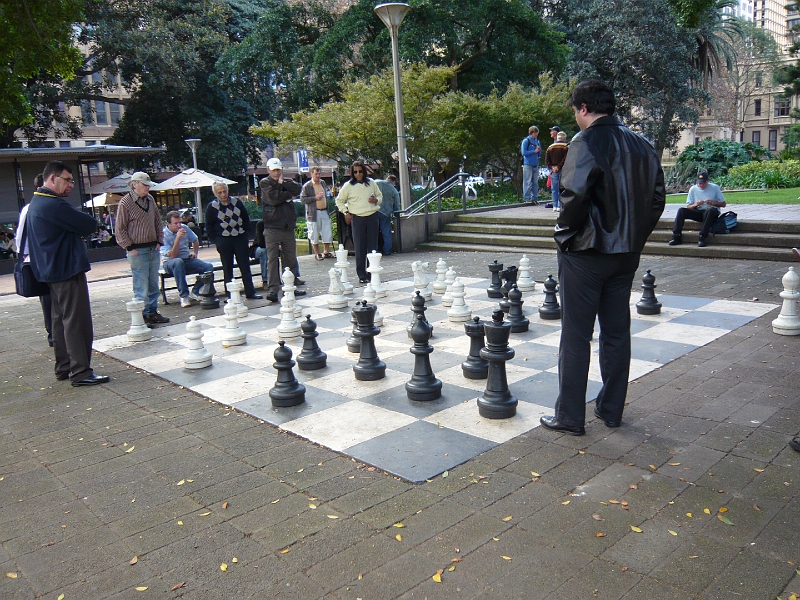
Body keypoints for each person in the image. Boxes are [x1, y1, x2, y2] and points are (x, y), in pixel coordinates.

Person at [540, 79, 665, 436]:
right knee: (616, 332)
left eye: (574, 112)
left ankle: (569, 416)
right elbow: (657, 199)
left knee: (576, 335)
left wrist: (563, 236)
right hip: (625, 254)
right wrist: (634, 236)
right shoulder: (642, 144)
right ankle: (611, 410)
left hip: (587, 253)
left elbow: (573, 197)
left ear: (582, 108)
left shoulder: (584, 142)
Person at [25, 161, 110, 386]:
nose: (71, 185)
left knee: (59, 321)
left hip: (50, 272)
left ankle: (64, 367)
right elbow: (89, 224)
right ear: (52, 178)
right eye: (68, 180)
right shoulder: (53, 204)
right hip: (66, 270)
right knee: (76, 321)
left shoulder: (36, 202)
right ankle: (80, 372)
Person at [116, 171, 169, 325]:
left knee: (153, 283)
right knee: (141, 285)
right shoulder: (125, 203)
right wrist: (129, 246)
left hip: (153, 247)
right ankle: (141, 315)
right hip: (137, 249)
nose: (147, 188)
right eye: (144, 185)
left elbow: (158, 221)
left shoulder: (150, 199)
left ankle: (152, 311)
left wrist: (159, 240)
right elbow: (120, 228)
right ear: (135, 185)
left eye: (148, 185)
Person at [206, 181, 263, 301]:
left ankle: (250, 292)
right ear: (215, 194)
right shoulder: (212, 207)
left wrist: (245, 233)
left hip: (240, 238)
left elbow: (246, 218)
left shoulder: (237, 202)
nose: (223, 194)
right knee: (227, 268)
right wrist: (216, 241)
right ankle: (230, 295)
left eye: (224, 191)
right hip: (223, 240)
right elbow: (209, 226)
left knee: (245, 266)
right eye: (219, 192)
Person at [259, 158, 305, 303]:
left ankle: (290, 285)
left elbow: (298, 189)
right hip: (272, 226)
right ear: (268, 170)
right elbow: (273, 198)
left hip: (287, 226)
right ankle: (273, 289)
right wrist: (287, 195)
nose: (276, 172)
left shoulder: (286, 181)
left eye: (278, 169)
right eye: (273, 170)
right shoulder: (264, 183)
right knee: (272, 259)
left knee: (290, 258)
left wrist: (283, 184)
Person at [17, 173, 53, 347]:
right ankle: (53, 335)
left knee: (51, 300)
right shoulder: (31, 208)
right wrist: (25, 256)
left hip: (45, 260)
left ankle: (55, 334)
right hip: (39, 261)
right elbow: (21, 236)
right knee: (47, 298)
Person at [335, 161, 382, 283]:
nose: (358, 174)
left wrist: (376, 200)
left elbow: (380, 196)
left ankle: (372, 271)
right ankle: (361, 275)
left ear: (364, 171)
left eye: (360, 171)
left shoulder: (371, 183)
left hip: (372, 216)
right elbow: (339, 200)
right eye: (355, 172)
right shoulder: (348, 186)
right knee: (360, 247)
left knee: (373, 246)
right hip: (357, 218)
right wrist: (346, 212)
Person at [161, 211, 214, 307]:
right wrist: (177, 238)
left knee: (208, 266)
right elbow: (172, 256)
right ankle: (184, 296)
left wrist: (195, 253)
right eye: (175, 223)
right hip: (170, 262)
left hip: (186, 260)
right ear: (168, 224)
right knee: (178, 262)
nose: (179, 225)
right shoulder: (163, 235)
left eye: (180, 222)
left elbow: (195, 240)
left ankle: (195, 291)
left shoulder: (184, 228)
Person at [669, 171, 726, 248]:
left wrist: (713, 202)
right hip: (699, 211)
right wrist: (696, 204)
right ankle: (676, 236)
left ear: (708, 181)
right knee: (681, 211)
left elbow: (723, 204)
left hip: (711, 212)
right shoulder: (693, 189)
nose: (701, 185)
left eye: (703, 183)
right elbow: (688, 206)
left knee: (710, 210)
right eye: (699, 183)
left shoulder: (715, 188)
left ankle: (702, 236)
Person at [300, 166, 334, 260]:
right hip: (313, 213)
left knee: (327, 231)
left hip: (324, 210)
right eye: (316, 174)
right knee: (314, 232)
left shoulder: (322, 183)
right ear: (311, 174)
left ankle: (326, 252)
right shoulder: (307, 186)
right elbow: (302, 199)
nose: (318, 175)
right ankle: (317, 253)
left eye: (319, 173)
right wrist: (315, 198)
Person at [375, 175, 401, 255]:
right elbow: (396, 205)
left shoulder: (376, 182)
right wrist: (396, 215)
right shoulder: (393, 190)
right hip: (385, 213)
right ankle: (387, 251)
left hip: (373, 210)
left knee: (373, 232)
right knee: (386, 233)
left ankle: (374, 251)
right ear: (393, 181)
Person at [545, 130, 569, 212]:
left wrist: (552, 167)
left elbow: (547, 160)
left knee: (554, 188)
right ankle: (559, 205)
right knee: (561, 188)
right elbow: (566, 159)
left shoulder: (550, 147)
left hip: (553, 170)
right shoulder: (566, 147)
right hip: (563, 170)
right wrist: (559, 167)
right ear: (564, 138)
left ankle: (554, 205)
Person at [521, 125, 542, 204]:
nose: (536, 134)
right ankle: (527, 198)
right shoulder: (526, 141)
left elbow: (539, 153)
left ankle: (535, 198)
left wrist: (539, 150)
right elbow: (524, 153)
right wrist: (534, 151)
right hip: (528, 164)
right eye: (535, 133)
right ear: (531, 133)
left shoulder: (537, 141)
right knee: (528, 182)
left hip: (535, 164)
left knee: (535, 182)